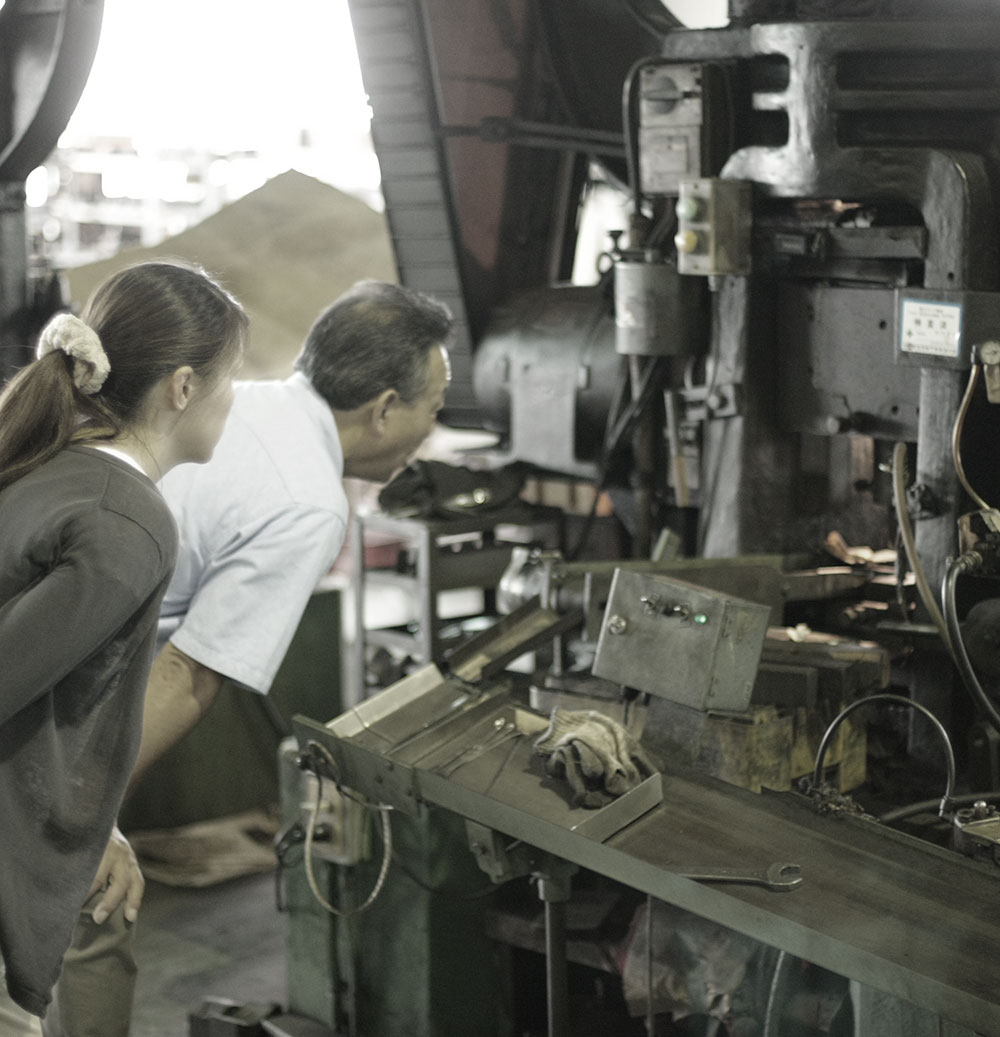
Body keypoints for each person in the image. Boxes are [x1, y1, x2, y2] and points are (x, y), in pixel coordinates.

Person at [51, 278, 453, 1036]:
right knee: (95, 901)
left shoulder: (251, 407)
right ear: (386, 408)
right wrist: (85, 813)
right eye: (434, 408)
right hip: (47, 682)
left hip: (56, 659)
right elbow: (188, 674)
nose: (433, 430)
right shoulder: (307, 500)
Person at [0, 260, 248, 1032]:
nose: (236, 397)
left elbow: (42, 692)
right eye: (229, 377)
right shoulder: (128, 523)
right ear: (182, 387)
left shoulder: (52, 469)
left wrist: (97, 823)